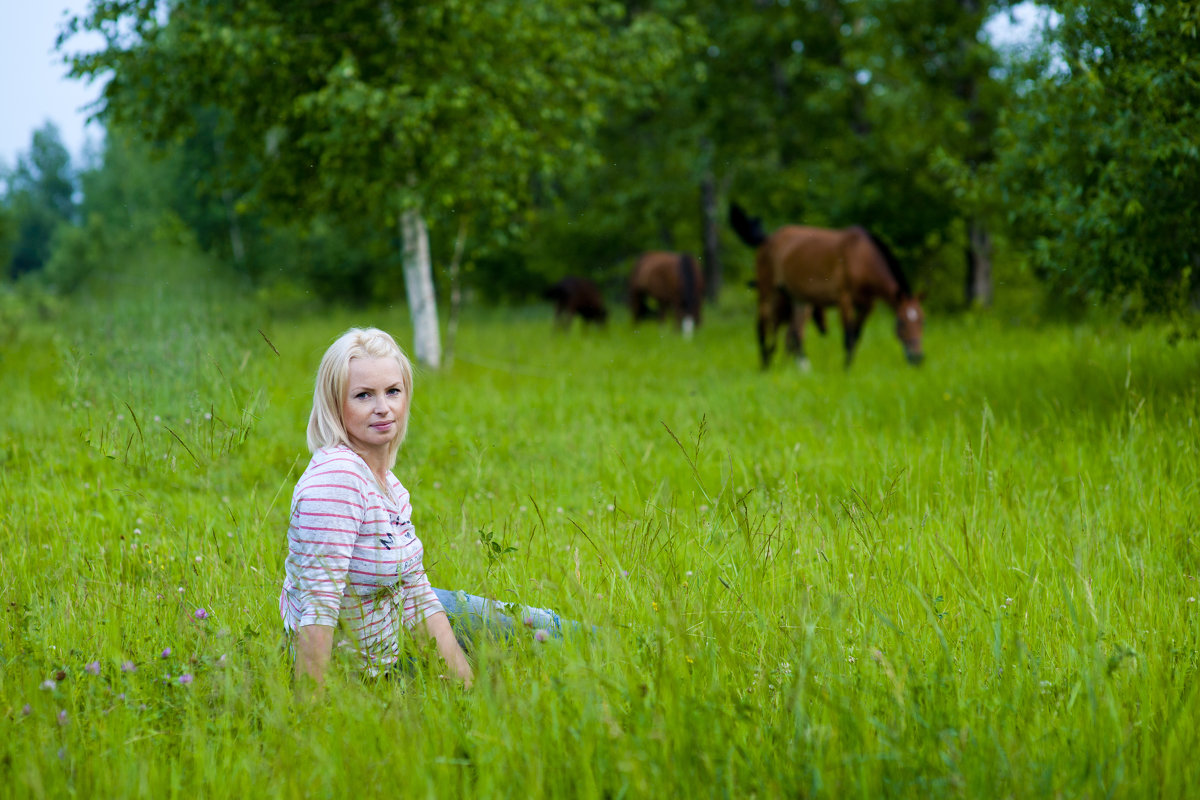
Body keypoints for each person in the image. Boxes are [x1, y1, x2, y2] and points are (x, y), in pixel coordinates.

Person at [279, 327, 574, 691]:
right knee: (539, 632)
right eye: (363, 395)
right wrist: (311, 717)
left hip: (397, 626)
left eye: (392, 391)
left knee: (536, 626)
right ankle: (615, 649)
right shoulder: (337, 479)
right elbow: (317, 607)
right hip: (358, 672)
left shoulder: (389, 484)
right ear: (335, 404)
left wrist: (466, 690)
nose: (383, 407)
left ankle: (624, 648)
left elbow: (416, 592)